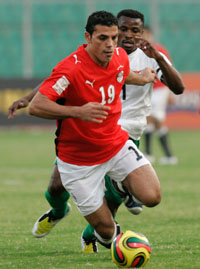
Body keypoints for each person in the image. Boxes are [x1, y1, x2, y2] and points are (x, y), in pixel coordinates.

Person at [8, 10, 184, 254]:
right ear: (88, 37)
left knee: (152, 196)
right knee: (94, 221)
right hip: (78, 159)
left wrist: (142, 78)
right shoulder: (72, 67)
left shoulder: (121, 56)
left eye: (114, 37)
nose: (111, 43)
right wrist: (78, 111)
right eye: (104, 38)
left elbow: (121, 73)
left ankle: (120, 194)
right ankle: (86, 221)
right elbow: (42, 100)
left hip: (116, 142)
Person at [142, 26, 179, 165]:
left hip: (159, 89)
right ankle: (168, 156)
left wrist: (170, 91)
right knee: (154, 122)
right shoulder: (139, 52)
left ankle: (149, 153)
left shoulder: (159, 50)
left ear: (151, 34)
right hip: (147, 89)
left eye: (146, 33)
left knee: (150, 118)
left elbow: (169, 70)